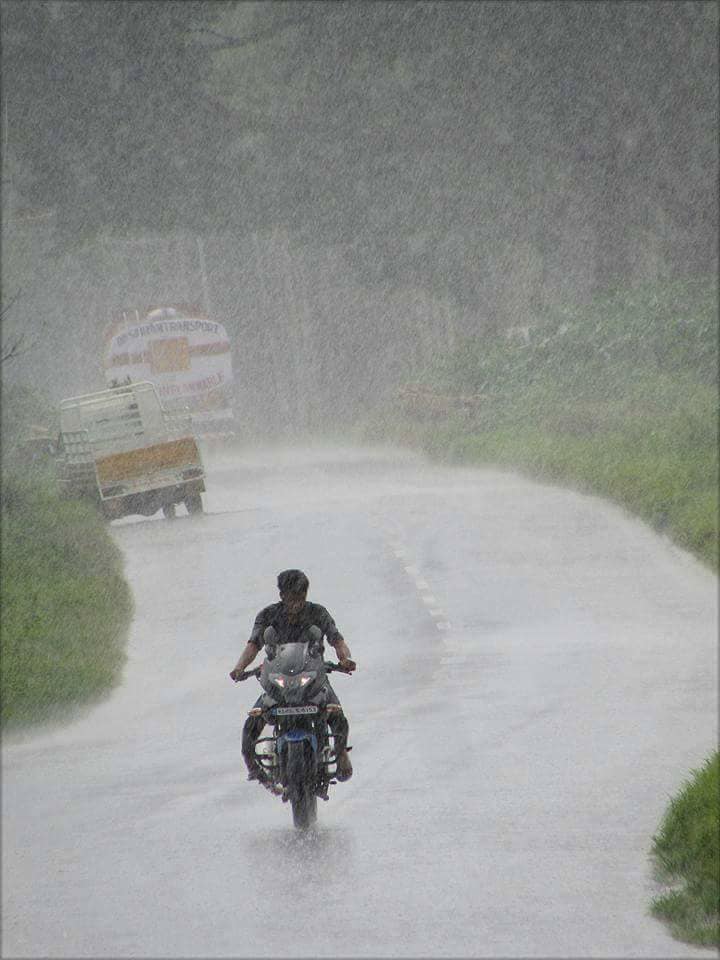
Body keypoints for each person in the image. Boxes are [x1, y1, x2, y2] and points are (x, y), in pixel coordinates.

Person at [230, 569, 356, 785]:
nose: (297, 602)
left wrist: (345, 659)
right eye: (292, 597)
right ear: (282, 595)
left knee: (336, 713)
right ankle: (254, 768)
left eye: (301, 596)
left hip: (314, 678)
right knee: (252, 724)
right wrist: (239, 667)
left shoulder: (318, 613)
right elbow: (253, 645)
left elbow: (337, 640)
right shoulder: (267, 616)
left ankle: (341, 753)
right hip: (279, 681)